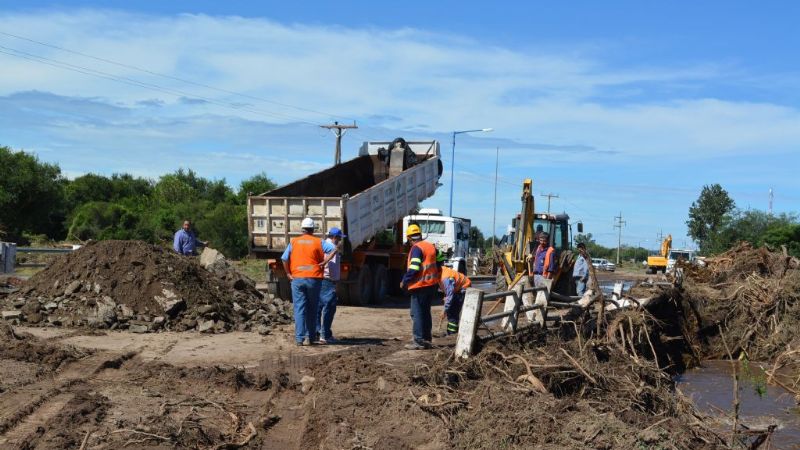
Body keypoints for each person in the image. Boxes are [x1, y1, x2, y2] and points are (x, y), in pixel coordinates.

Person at [281, 217, 336, 346]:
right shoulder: (318, 241)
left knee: (299, 308)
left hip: (297, 279)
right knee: (312, 308)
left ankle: (299, 339)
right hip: (314, 279)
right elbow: (334, 249)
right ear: (313, 229)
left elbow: (284, 258)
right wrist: (324, 262)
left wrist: (288, 273)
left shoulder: (294, 242)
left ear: (302, 229)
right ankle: (311, 337)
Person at [399, 224, 441, 350]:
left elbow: (414, 268)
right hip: (431, 285)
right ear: (420, 235)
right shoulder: (430, 246)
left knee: (416, 313)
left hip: (420, 285)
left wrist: (404, 281)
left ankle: (418, 341)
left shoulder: (416, 248)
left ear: (409, 238)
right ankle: (427, 339)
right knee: (425, 313)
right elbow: (440, 261)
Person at [316, 227, 345, 345]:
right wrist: (335, 283)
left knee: (319, 308)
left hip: (321, 280)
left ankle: (317, 333)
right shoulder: (332, 248)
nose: (339, 240)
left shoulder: (322, 245)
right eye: (339, 238)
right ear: (335, 237)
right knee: (329, 307)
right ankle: (325, 335)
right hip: (328, 281)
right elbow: (331, 267)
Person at [437, 252, 472, 335]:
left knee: (453, 311)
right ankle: (451, 331)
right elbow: (447, 291)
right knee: (450, 310)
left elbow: (450, 294)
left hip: (463, 288)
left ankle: (452, 333)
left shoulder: (445, 277)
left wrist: (444, 310)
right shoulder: (439, 272)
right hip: (456, 288)